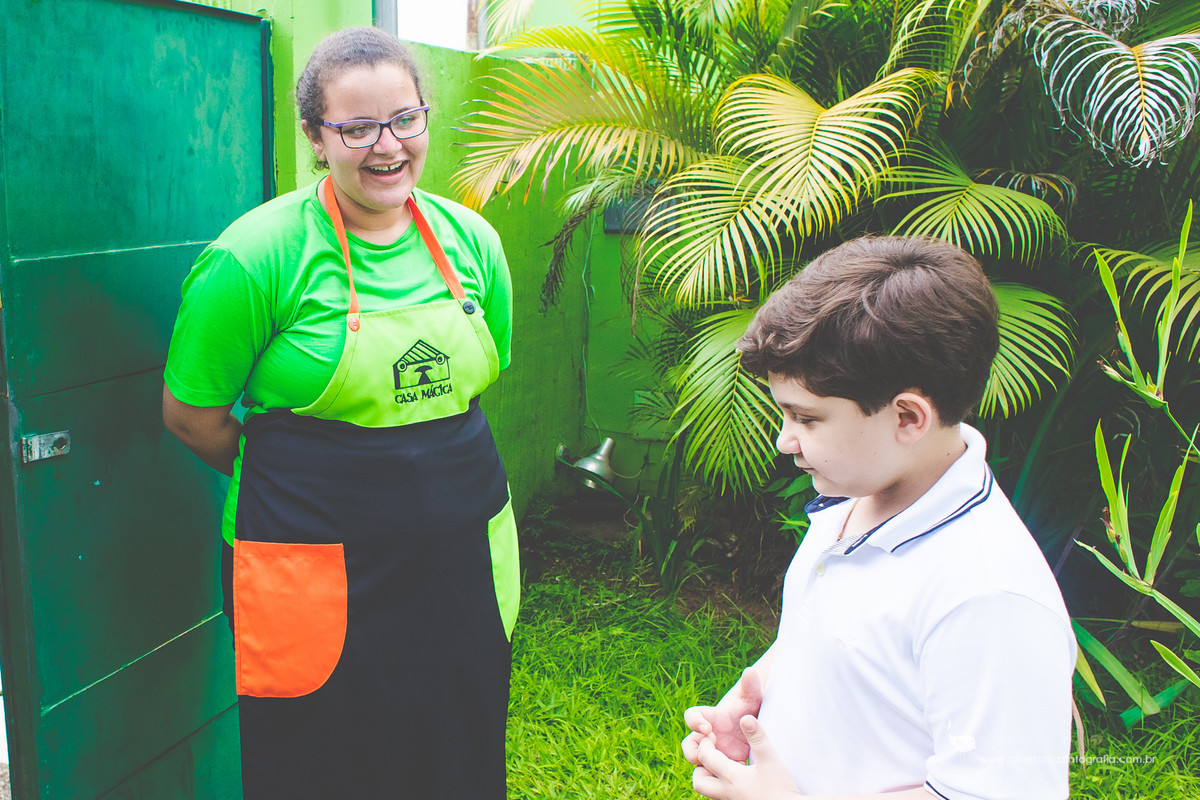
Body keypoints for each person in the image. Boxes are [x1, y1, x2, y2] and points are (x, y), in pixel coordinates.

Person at [162, 26, 517, 799]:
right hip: (307, 558)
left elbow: (484, 375)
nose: (386, 146)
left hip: (458, 555)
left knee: (457, 742)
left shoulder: (473, 242)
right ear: (316, 139)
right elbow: (191, 414)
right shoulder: (254, 258)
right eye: (356, 128)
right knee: (315, 760)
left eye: (405, 120)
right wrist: (310, 477)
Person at [681, 236, 1077, 800]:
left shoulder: (988, 598)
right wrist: (764, 688)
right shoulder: (860, 494)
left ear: (909, 417)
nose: (783, 440)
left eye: (807, 419)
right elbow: (856, 643)